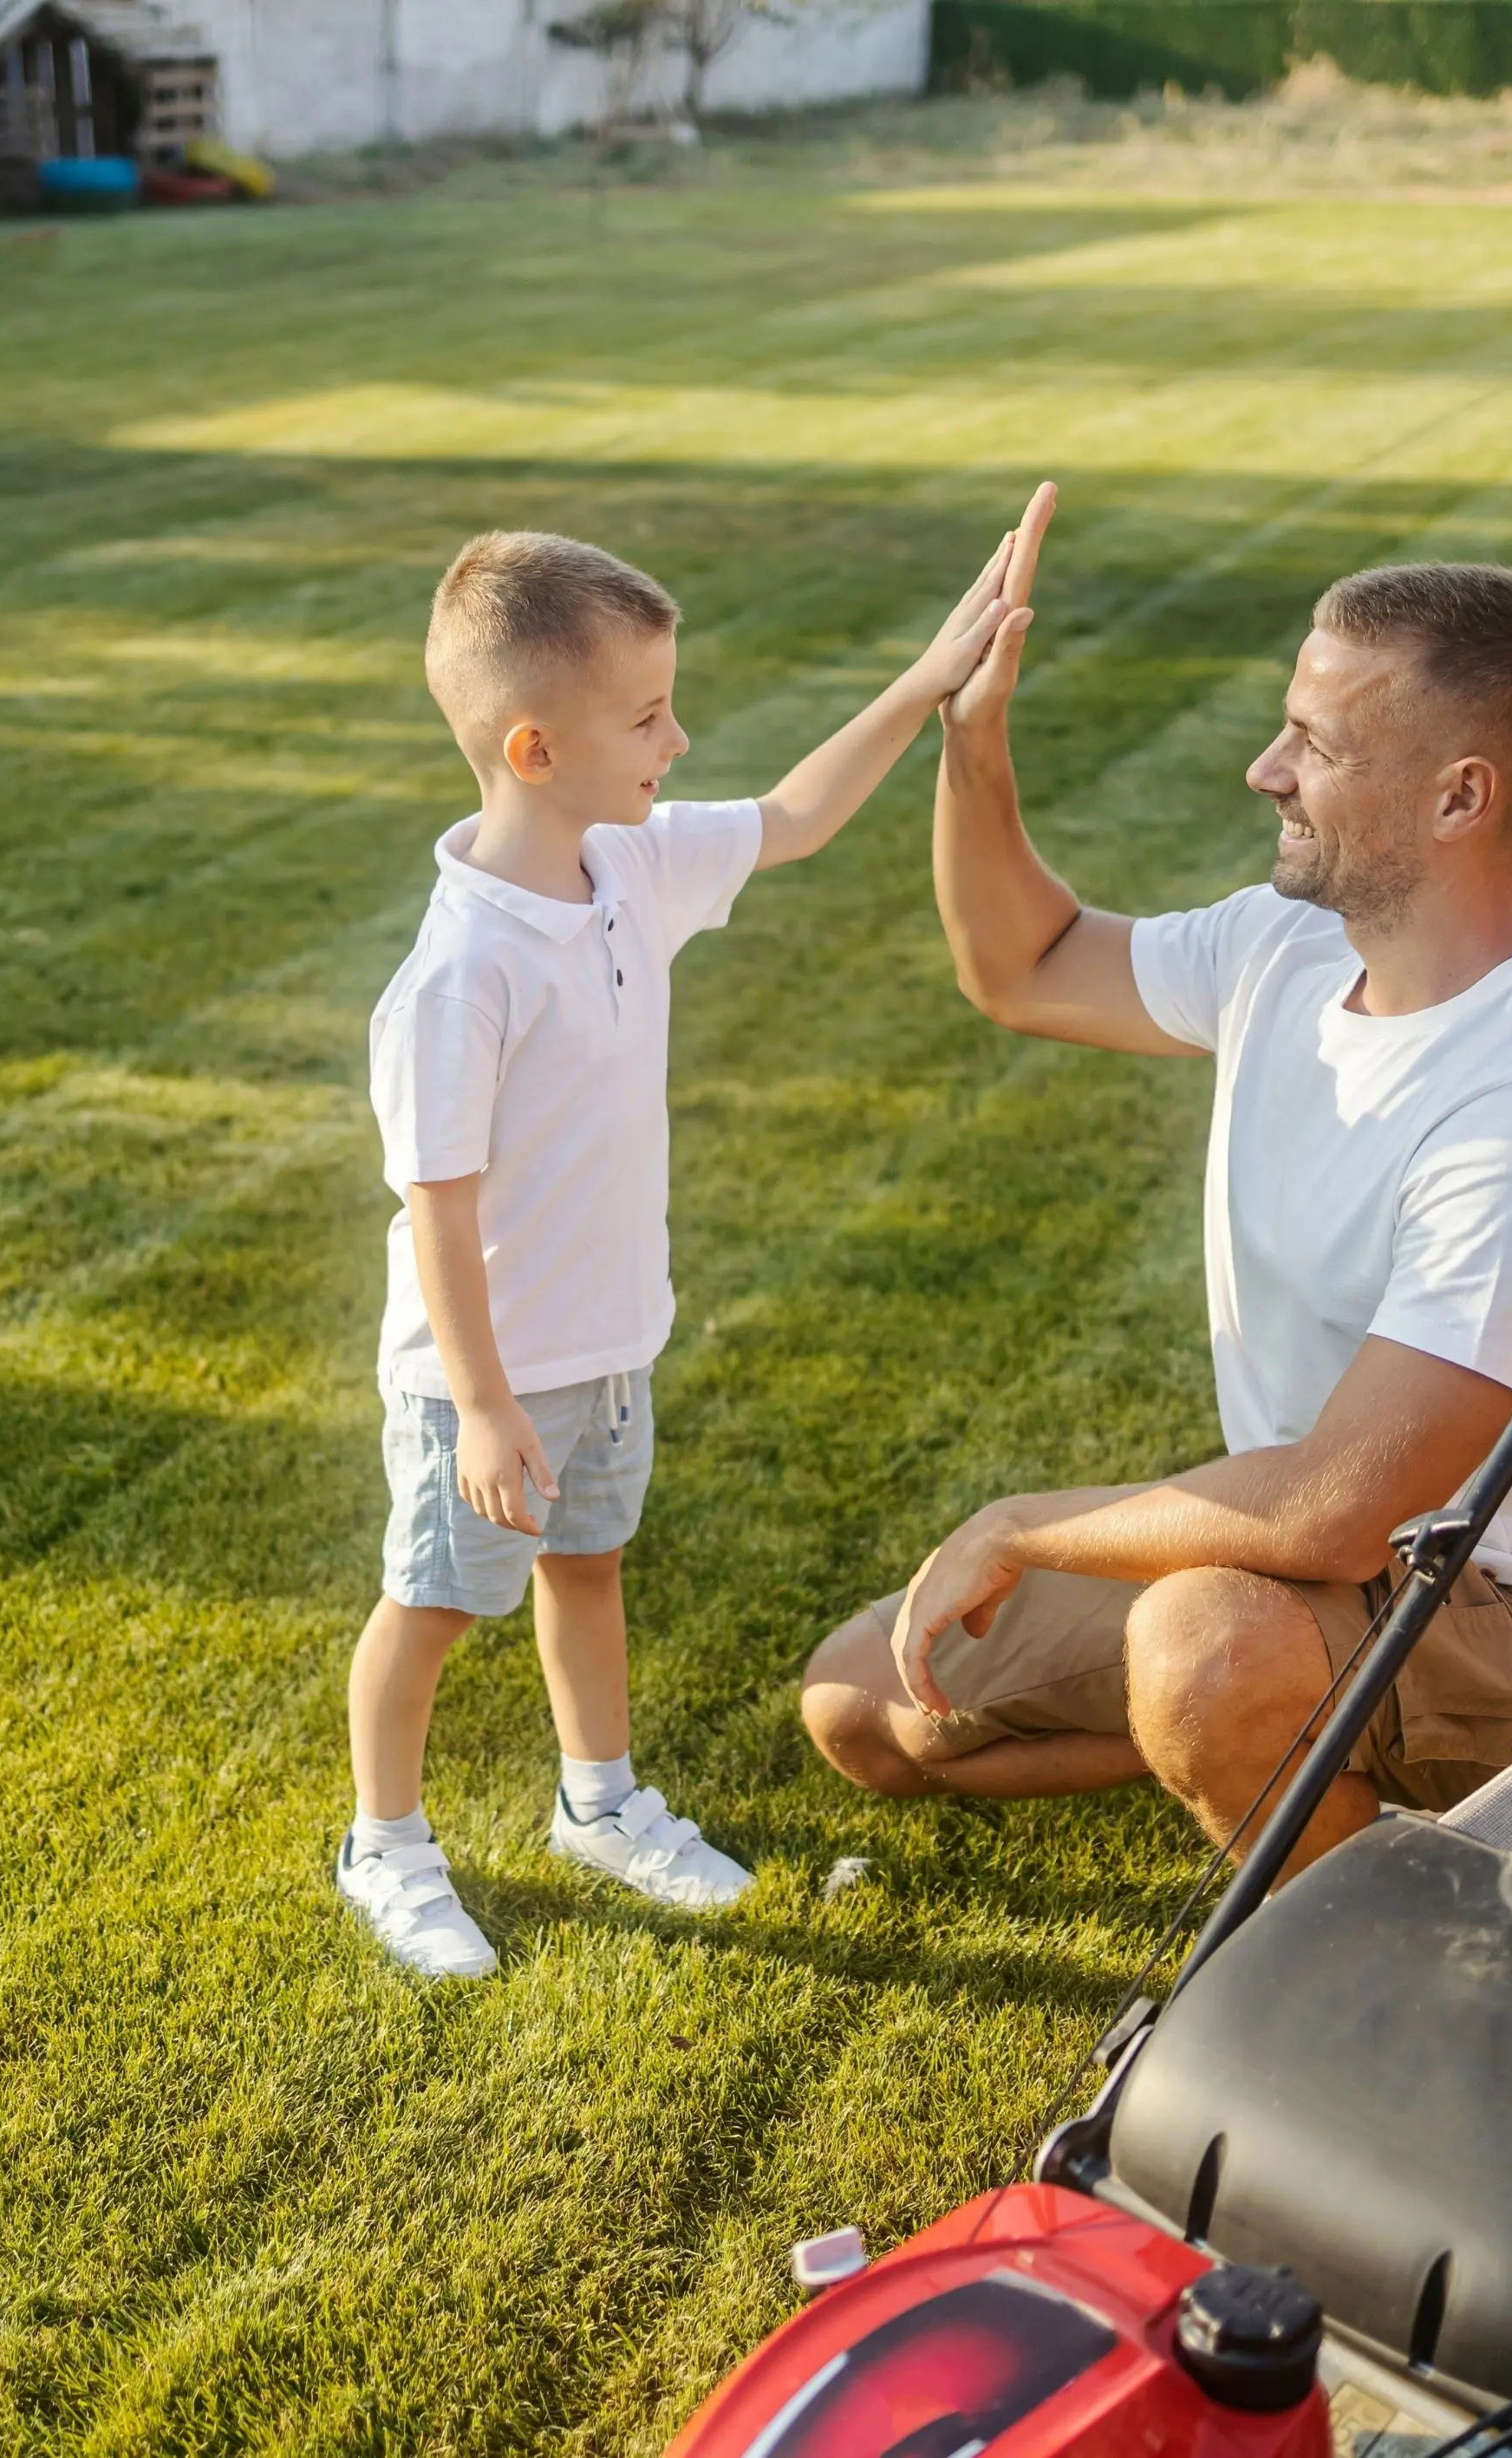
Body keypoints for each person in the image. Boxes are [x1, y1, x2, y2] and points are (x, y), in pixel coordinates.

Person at [801, 497, 1512, 1882]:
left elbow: (1335, 1505)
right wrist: (973, 738)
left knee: (1200, 1641)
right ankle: (1295, 1759)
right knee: (866, 1705)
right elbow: (1022, 965)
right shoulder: (1285, 944)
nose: (1266, 768)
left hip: (1505, 1638)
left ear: (1458, 796)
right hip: (1292, 1581)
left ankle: (1354, 1958)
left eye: (1315, 745)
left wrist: (1024, 1524)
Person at [342, 517, 1035, 1979]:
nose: (679, 737)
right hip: (484, 1383)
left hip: (607, 1347)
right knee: (432, 1604)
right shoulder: (457, 976)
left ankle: (599, 1802)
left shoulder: (627, 866)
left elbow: (790, 815)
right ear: (534, 751)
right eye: (647, 716)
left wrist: (926, 678)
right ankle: (385, 1843)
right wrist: (479, 1405)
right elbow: (438, 1208)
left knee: (586, 1570)